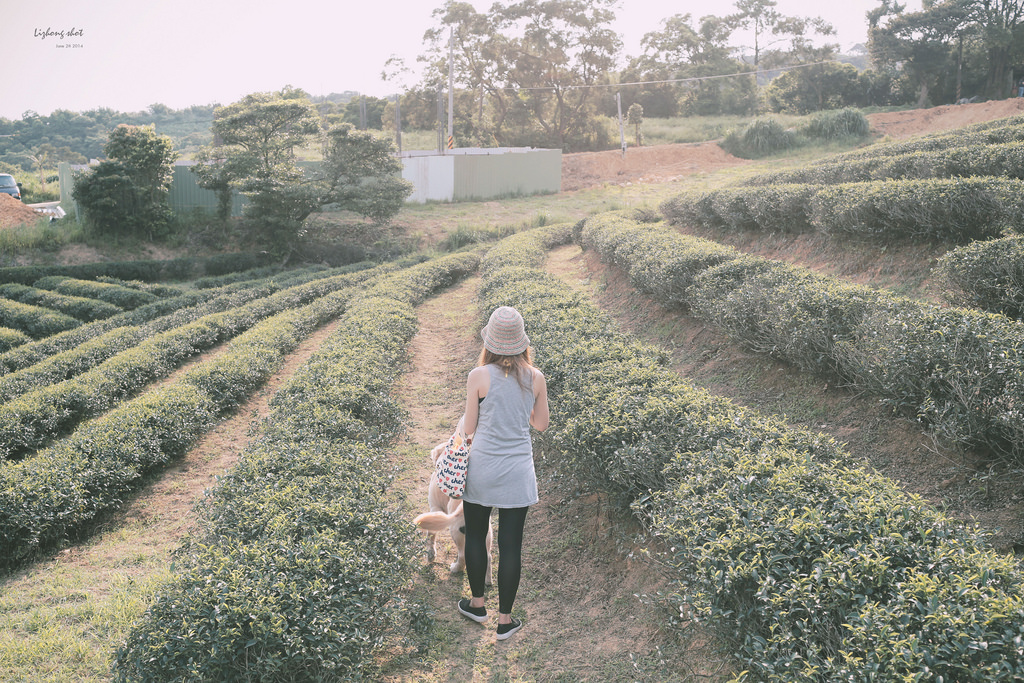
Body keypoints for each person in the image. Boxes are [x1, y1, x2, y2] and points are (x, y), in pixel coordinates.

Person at [456, 305, 549, 640]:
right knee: (511, 546)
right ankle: (505, 622)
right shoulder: (535, 378)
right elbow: (540, 424)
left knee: (477, 535)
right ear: (521, 341)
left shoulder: (478, 376)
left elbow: (469, 426)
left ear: (490, 342)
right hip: (517, 472)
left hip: (482, 469)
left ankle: (477, 605)